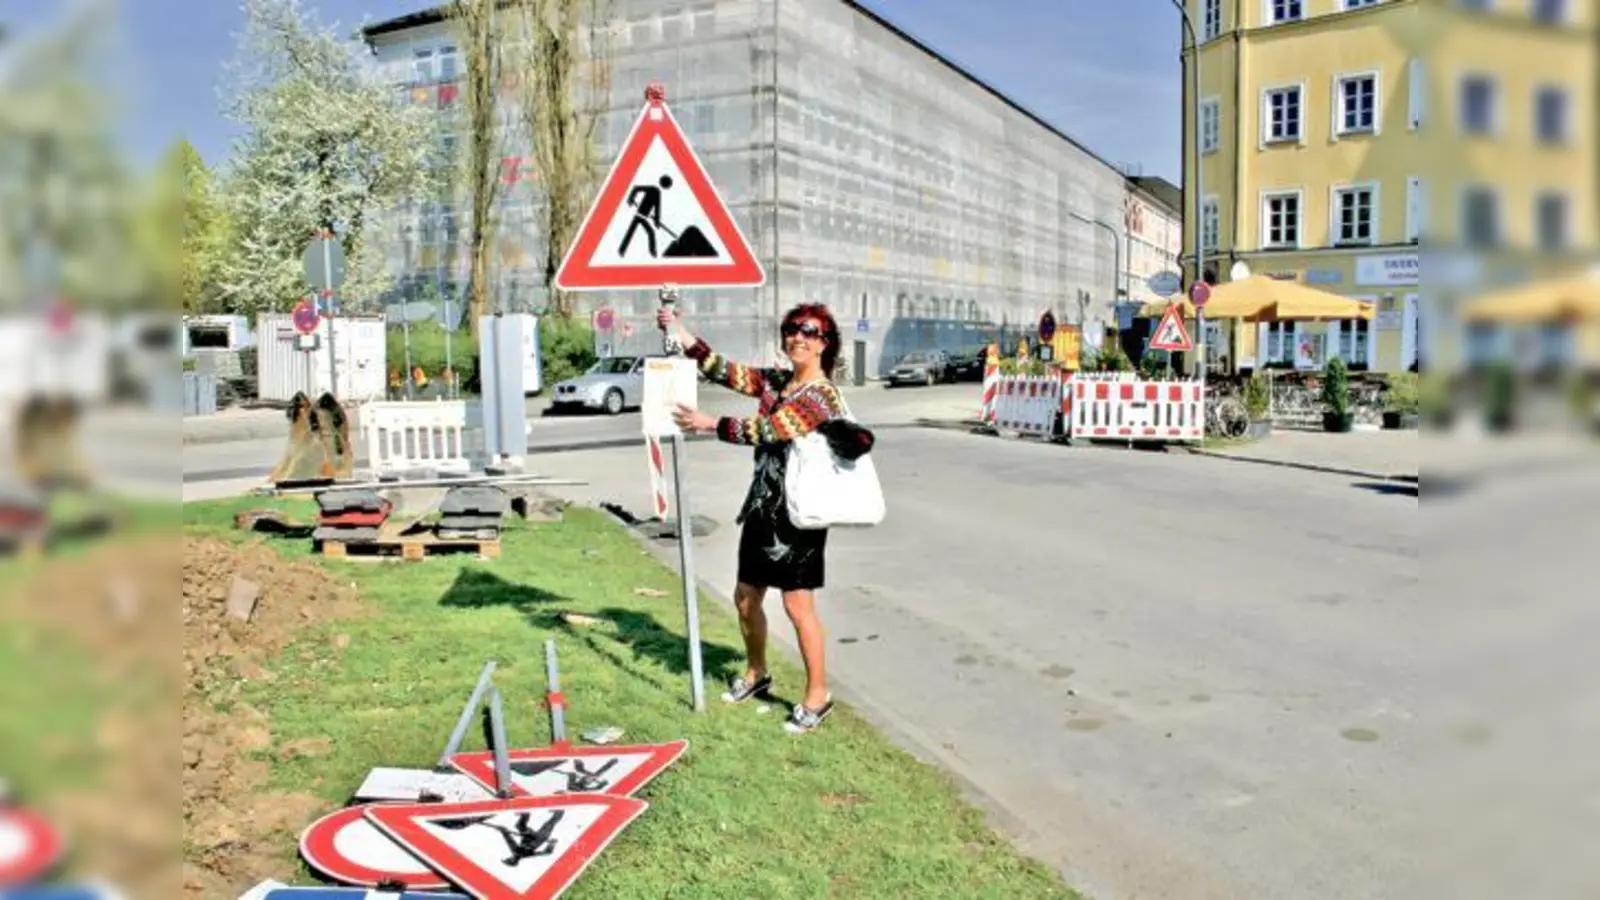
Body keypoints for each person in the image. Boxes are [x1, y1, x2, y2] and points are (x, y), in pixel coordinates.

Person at [659, 303, 872, 735]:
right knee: (744, 597)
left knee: (798, 606)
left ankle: (818, 695)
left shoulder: (821, 394)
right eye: (792, 330)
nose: (799, 337)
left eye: (810, 332)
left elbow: (773, 429)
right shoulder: (778, 381)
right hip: (762, 507)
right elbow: (726, 371)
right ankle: (757, 673)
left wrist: (709, 423)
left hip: (800, 515)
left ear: (825, 343)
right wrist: (681, 334)